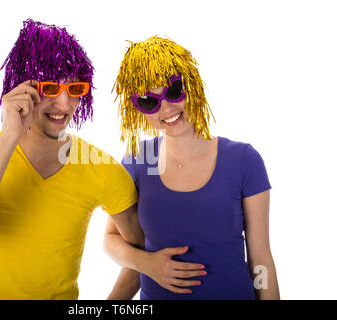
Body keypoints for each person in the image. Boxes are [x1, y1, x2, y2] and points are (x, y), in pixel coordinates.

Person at [0, 19, 142, 300]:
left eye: (73, 89)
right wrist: (9, 137)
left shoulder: (100, 167)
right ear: (21, 87)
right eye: (49, 87)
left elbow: (142, 251)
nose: (63, 104)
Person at [104, 36, 280, 300]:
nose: (167, 107)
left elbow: (261, 260)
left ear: (193, 86)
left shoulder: (244, 160)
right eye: (149, 101)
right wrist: (147, 264)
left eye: (174, 90)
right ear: (138, 110)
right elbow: (110, 239)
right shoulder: (138, 161)